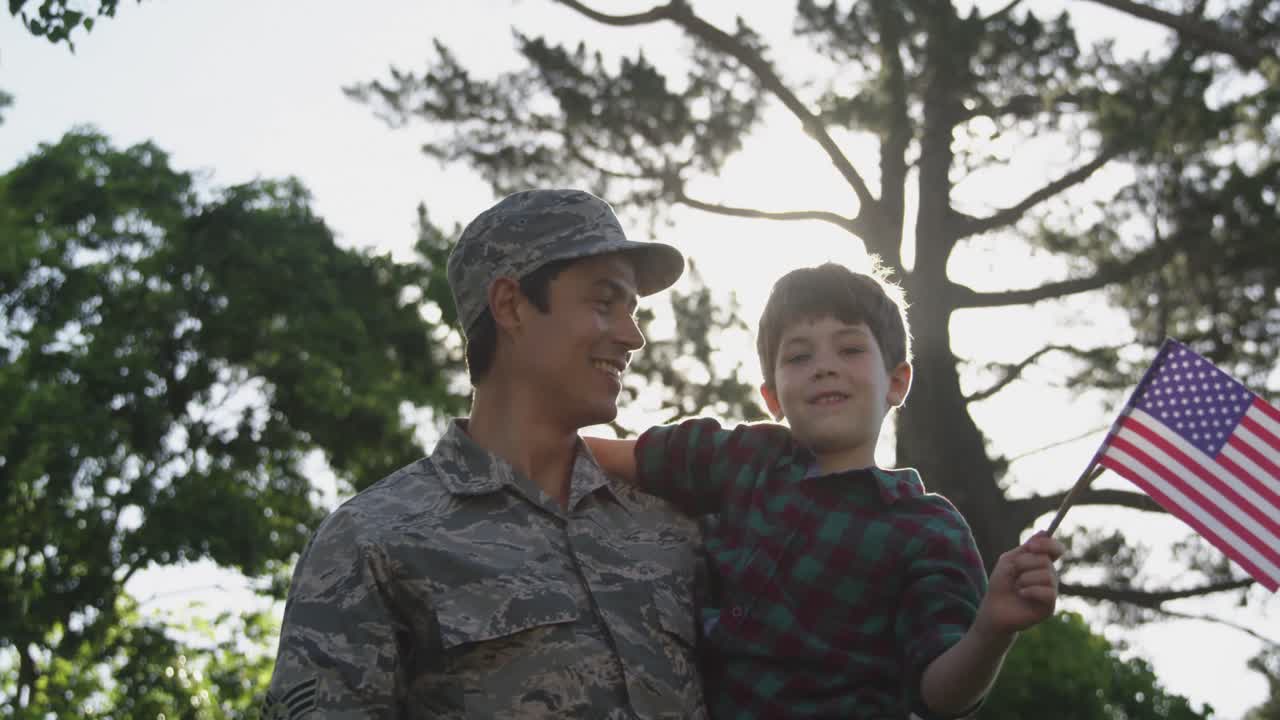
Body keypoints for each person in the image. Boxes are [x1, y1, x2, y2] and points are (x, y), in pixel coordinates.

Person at [262, 189, 710, 719]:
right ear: (510, 305)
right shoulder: (372, 542)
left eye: (632, 310)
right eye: (604, 302)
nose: (632, 336)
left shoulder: (674, 528)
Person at [586, 262, 1066, 719]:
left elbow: (941, 695)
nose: (824, 367)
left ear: (896, 382)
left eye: (850, 349)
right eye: (799, 356)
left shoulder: (928, 529)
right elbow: (611, 455)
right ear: (771, 396)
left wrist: (991, 631)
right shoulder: (741, 457)